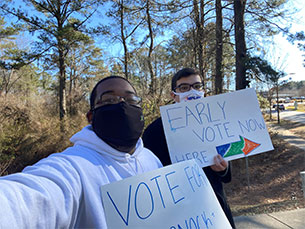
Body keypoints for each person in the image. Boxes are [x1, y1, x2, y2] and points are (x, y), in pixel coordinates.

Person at [0, 75, 162, 228]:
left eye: (131, 99)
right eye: (109, 100)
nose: (122, 105)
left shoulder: (151, 158)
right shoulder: (73, 168)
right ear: (91, 116)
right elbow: (28, 199)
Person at [142, 68, 236, 228]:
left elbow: (227, 177)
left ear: (203, 91)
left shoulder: (216, 123)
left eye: (197, 86)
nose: (192, 92)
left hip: (216, 209)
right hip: (179, 216)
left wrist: (223, 169)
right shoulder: (154, 131)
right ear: (174, 95)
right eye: (184, 88)